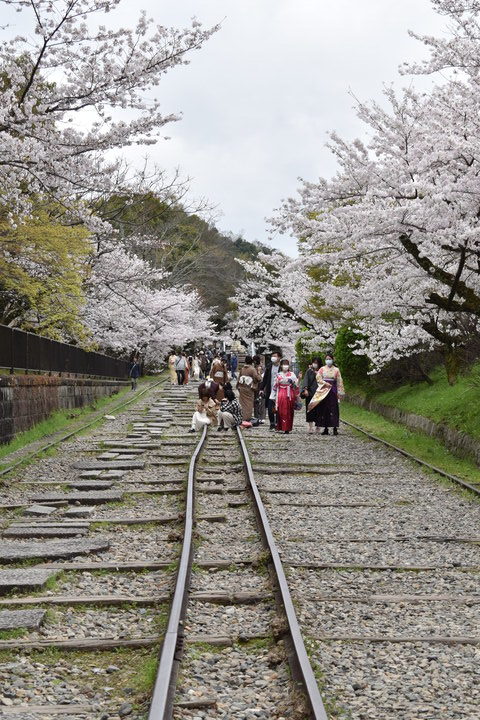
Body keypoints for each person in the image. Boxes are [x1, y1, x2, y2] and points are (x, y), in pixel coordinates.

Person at [308, 352, 345, 435]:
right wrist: (324, 383)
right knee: (325, 408)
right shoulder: (322, 369)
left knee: (334, 408)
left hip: (333, 390)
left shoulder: (336, 370)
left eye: (330, 359)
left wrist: (340, 392)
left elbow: (339, 381)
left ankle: (335, 427)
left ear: (332, 359)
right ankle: (325, 428)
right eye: (327, 359)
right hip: (324, 389)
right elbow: (318, 378)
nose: (328, 360)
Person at [272, 358, 298, 434]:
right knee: (281, 411)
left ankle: (288, 427)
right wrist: (273, 396)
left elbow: (295, 384)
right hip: (281, 393)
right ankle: (281, 427)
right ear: (281, 366)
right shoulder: (278, 374)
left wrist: (293, 382)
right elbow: (275, 386)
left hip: (289, 393)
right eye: (284, 364)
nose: (285, 366)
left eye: (286, 364)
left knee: (289, 411)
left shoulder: (292, 374)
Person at [259, 351, 281, 430]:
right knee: (270, 407)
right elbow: (265, 379)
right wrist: (261, 388)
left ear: (279, 358)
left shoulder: (282, 367)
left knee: (279, 407)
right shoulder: (269, 366)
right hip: (270, 390)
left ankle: (278, 423)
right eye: (272, 356)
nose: (273, 357)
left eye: (275, 356)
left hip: (280, 391)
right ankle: (272, 423)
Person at [237, 355, 262, 422]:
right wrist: (259, 372)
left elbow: (239, 379)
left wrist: (238, 387)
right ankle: (247, 418)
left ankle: (242, 417)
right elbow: (258, 379)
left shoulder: (242, 369)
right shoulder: (252, 369)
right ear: (252, 362)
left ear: (245, 361)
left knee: (242, 403)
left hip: (242, 388)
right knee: (249, 404)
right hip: (249, 388)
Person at [301, 358, 321, 433]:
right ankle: (310, 427)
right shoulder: (309, 371)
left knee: (319, 410)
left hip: (319, 393)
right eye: (314, 362)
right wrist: (305, 389)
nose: (315, 364)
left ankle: (318, 426)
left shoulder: (322, 371)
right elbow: (305, 380)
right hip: (310, 393)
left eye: (316, 362)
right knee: (309, 410)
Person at [252, 355, 265, 423]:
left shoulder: (261, 368)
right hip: (255, 386)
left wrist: (259, 373)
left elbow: (262, 378)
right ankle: (257, 416)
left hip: (260, 385)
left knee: (261, 401)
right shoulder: (253, 368)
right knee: (256, 401)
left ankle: (261, 417)